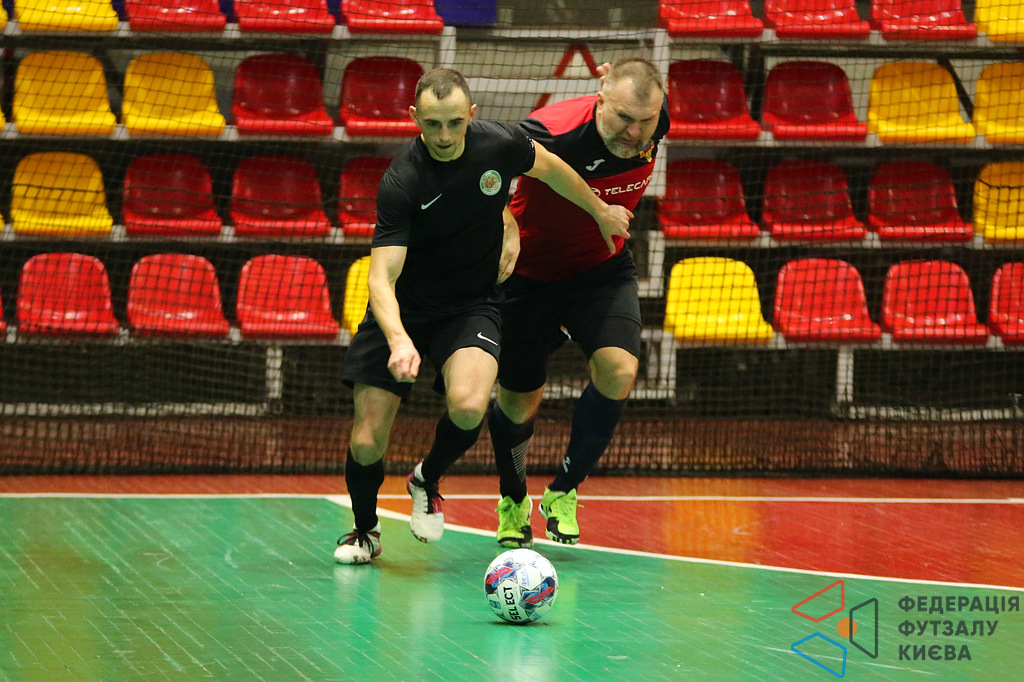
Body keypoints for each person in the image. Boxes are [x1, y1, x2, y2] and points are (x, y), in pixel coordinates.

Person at [334, 67, 634, 564]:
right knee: (367, 440)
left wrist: (599, 209)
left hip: (470, 306)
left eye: (455, 122)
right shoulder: (402, 180)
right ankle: (365, 531)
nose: (444, 136)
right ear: (414, 117)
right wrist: (400, 339)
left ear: (471, 115)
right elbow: (381, 278)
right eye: (433, 124)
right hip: (405, 311)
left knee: (471, 405)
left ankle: (426, 478)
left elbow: (552, 168)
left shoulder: (499, 144)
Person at [488, 57, 670, 548]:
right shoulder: (552, 130)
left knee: (619, 370)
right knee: (519, 399)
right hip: (528, 276)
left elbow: (644, 111)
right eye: (623, 117)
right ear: (600, 95)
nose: (635, 132)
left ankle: (564, 491)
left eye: (646, 121)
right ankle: (513, 499)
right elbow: (481, 169)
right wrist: (506, 222)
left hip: (600, 269)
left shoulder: (656, 119)